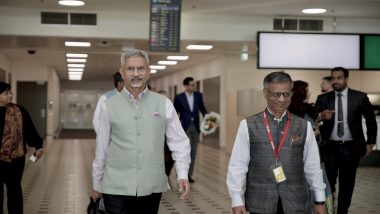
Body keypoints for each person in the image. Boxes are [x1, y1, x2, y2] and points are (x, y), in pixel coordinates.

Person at [91, 49, 191, 214]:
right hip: (115, 184)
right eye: (130, 69)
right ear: (122, 73)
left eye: (141, 68)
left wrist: (182, 174)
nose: (136, 73)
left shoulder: (163, 103)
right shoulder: (108, 105)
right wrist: (96, 183)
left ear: (148, 72)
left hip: (151, 184)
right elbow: (101, 147)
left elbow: (179, 141)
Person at [226, 71, 326, 214]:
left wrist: (319, 200)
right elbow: (238, 165)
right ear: (265, 93)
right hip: (260, 201)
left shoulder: (304, 126)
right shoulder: (248, 125)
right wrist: (236, 199)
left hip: (296, 201)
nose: (281, 99)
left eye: (286, 94)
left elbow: (312, 165)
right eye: (275, 94)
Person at [315, 66, 377, 214]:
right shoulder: (323, 98)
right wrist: (321, 116)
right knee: (328, 184)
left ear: (347, 79)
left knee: (347, 185)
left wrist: (370, 142)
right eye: (333, 78)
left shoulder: (360, 97)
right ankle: (328, 210)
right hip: (329, 147)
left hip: (351, 147)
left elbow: (370, 120)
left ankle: (342, 211)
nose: (335, 81)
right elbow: (313, 121)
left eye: (339, 77)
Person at [0, 82, 44, 214]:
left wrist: (38, 146)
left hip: (16, 159)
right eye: (6, 93)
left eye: (10, 92)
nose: (10, 95)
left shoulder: (19, 110)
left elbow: (29, 129)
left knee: (14, 190)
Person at [174, 77, 208, 183]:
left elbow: (203, 109)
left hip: (196, 127)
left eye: (194, 85)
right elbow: (175, 113)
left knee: (193, 151)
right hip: (184, 127)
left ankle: (189, 174)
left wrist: (209, 120)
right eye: (192, 85)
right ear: (185, 86)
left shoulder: (198, 95)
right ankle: (182, 173)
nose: (194, 87)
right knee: (184, 151)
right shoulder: (179, 97)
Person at [157, 90, 175, 176]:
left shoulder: (170, 111)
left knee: (170, 159)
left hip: (168, 141)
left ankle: (166, 175)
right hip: (157, 142)